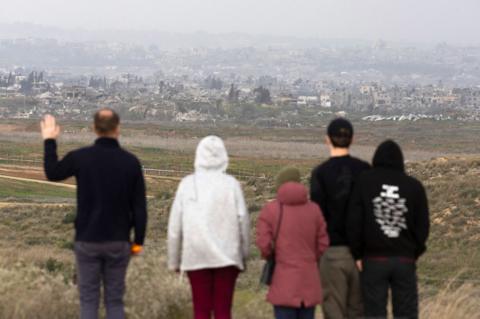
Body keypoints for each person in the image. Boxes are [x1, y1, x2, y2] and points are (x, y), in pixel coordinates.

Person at [41, 110, 147, 319]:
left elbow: (52, 173)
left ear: (94, 129)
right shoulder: (131, 162)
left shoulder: (81, 157)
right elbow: (139, 208)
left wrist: (49, 140)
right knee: (114, 301)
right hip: (118, 241)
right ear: (118, 128)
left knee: (88, 300)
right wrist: (137, 242)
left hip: (87, 240)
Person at [167, 135, 250, 319]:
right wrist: (243, 256)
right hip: (228, 257)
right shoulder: (232, 185)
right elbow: (243, 221)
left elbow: (175, 227)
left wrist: (174, 261)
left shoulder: (187, 184)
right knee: (223, 311)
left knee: (201, 310)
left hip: (196, 256)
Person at [347, 140, 430, 319]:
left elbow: (354, 221)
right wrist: (413, 252)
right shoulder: (414, 187)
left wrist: (357, 253)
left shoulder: (364, 181)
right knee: (406, 312)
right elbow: (423, 226)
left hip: (373, 259)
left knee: (374, 313)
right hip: (404, 259)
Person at [310, 118, 370, 319]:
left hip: (332, 251)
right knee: (358, 311)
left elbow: (317, 217)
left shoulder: (320, 174)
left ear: (327, 140)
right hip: (362, 254)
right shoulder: (364, 170)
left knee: (334, 310)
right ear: (352, 139)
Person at [256, 167, 329, 319]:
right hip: (309, 282)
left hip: (283, 281)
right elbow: (323, 244)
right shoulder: (314, 210)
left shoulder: (271, 210)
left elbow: (264, 244)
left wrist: (270, 255)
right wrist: (310, 258)